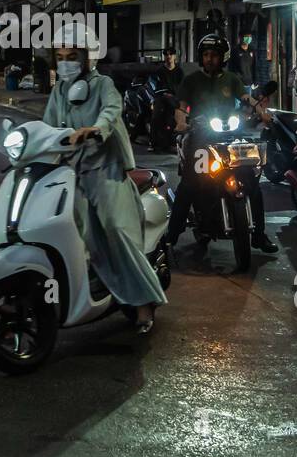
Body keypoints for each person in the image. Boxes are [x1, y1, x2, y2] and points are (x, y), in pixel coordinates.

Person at [44, 21, 167, 334]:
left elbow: (112, 111)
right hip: (72, 172)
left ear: (87, 57)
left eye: (72, 55)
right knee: (74, 231)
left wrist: (96, 129)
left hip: (106, 169)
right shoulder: (59, 90)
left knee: (114, 230)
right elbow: (45, 127)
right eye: (60, 57)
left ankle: (143, 304)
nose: (66, 62)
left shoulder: (103, 86)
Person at [162, 32, 275, 256]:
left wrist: (261, 111)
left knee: (252, 182)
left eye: (214, 55)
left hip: (229, 135)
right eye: (206, 54)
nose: (210, 59)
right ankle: (170, 238)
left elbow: (246, 99)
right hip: (200, 137)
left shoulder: (232, 79)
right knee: (189, 186)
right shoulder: (191, 80)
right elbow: (181, 107)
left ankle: (259, 234)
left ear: (223, 57)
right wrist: (182, 121)